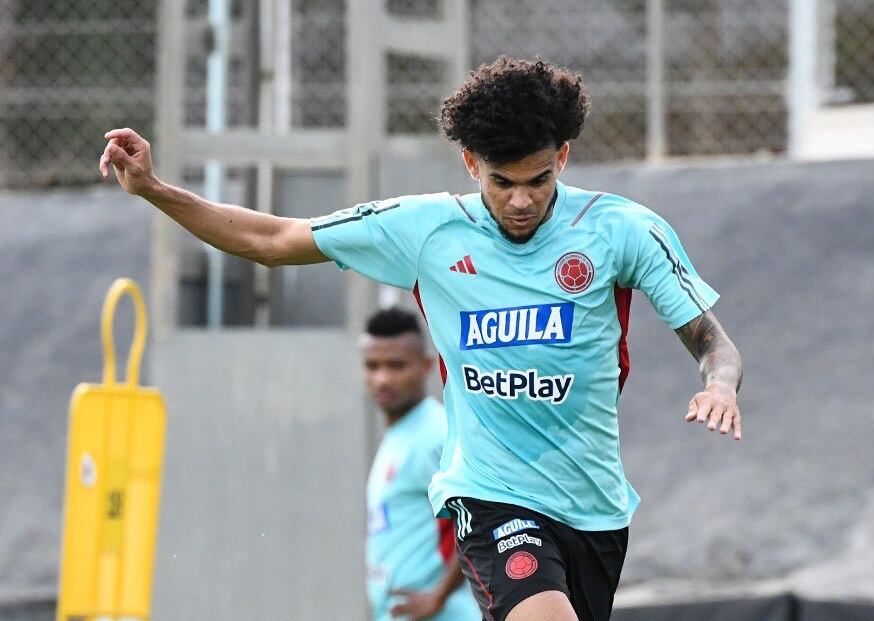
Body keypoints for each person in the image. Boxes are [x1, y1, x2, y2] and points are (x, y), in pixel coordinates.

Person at [99, 56, 743, 621]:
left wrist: (718, 384)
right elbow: (272, 241)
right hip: (491, 494)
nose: (521, 201)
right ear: (471, 164)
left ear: (563, 159)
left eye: (538, 181)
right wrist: (155, 190)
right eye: (502, 182)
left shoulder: (622, 230)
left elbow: (711, 340)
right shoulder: (427, 229)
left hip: (595, 506)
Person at [361, 307, 480, 621]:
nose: (382, 378)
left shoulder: (436, 433)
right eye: (372, 366)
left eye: (396, 366)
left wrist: (438, 596)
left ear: (426, 366)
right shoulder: (399, 433)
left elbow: (478, 517)